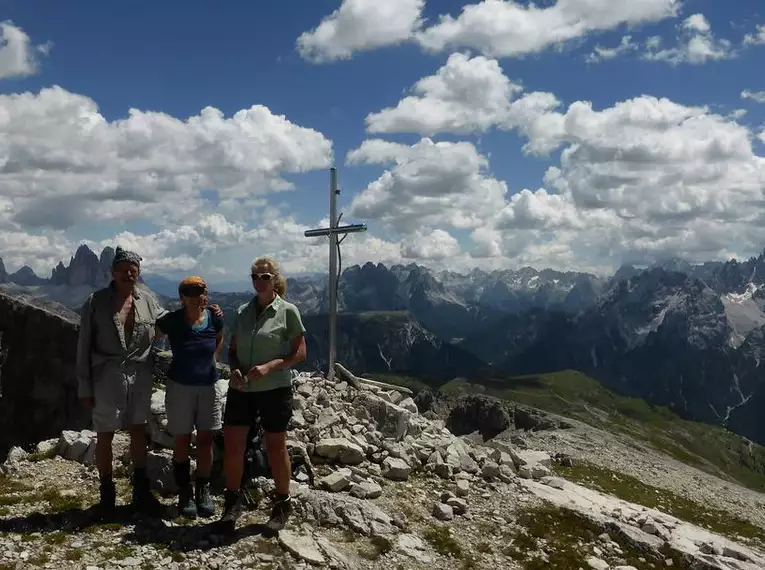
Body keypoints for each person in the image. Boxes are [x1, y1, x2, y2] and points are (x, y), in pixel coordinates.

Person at [76, 246, 222, 516]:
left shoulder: (147, 300)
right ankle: (107, 495)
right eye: (122, 269)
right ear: (113, 272)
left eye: (132, 269)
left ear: (138, 273)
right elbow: (83, 345)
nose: (127, 273)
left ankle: (141, 492)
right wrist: (84, 386)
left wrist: (205, 312)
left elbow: (172, 320)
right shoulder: (95, 302)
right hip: (107, 376)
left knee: (138, 432)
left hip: (140, 375)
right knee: (105, 434)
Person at [219, 256, 307, 533]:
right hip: (242, 387)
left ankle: (282, 504)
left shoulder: (288, 311)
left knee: (275, 447)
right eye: (255, 276)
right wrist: (233, 369)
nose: (259, 281)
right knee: (233, 445)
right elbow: (232, 351)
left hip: (275, 388)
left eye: (265, 277)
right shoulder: (243, 311)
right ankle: (232, 504)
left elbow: (300, 353)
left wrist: (270, 366)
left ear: (275, 280)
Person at [154, 276, 224, 518]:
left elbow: (219, 339)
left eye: (199, 291)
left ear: (206, 293)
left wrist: (211, 360)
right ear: (182, 297)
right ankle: (185, 492)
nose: (195, 296)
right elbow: (152, 332)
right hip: (180, 387)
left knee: (206, 439)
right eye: (189, 292)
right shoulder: (172, 320)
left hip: (208, 386)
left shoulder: (215, 317)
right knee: (182, 440)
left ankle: (202, 488)